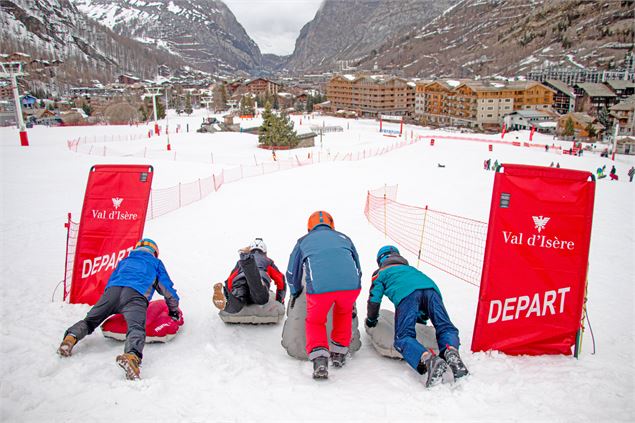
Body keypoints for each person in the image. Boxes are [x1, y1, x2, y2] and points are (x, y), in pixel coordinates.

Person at [57, 238, 180, 380]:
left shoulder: (124, 261)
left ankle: (70, 338)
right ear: (155, 252)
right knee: (136, 328)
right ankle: (132, 357)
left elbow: (111, 280)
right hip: (135, 295)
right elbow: (167, 289)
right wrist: (173, 310)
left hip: (111, 294)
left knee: (90, 321)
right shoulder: (155, 263)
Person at [365, 246, 468, 388]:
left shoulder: (380, 273)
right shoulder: (411, 269)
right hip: (432, 290)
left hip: (406, 296)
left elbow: (374, 299)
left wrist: (371, 320)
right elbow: (422, 298)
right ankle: (451, 352)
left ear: (380, 261)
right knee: (445, 327)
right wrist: (420, 323)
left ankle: (428, 360)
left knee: (403, 338)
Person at [286, 211, 362, 380]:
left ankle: (320, 359)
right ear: (332, 225)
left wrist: (295, 291)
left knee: (316, 320)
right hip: (351, 287)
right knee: (343, 313)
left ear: (309, 227)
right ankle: (339, 354)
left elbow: (292, 273)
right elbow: (357, 265)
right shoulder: (345, 238)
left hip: (320, 289)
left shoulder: (303, 241)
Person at [212, 238, 286, 313]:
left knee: (237, 303)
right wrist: (280, 300)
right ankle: (248, 262)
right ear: (264, 251)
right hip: (258, 280)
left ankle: (226, 302)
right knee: (261, 298)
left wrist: (229, 291)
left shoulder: (239, 262)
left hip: (239, 280)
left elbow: (231, 278)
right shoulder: (267, 261)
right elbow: (280, 280)